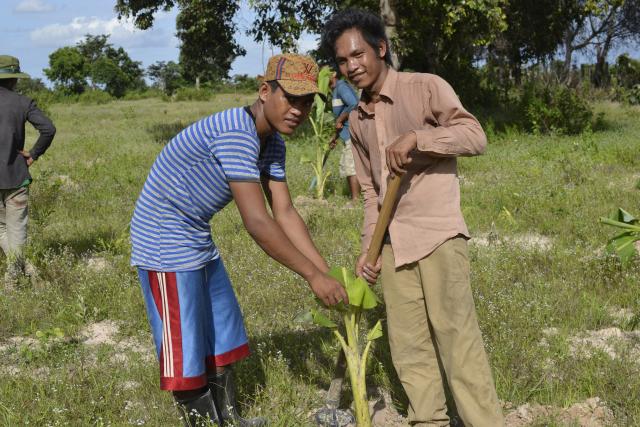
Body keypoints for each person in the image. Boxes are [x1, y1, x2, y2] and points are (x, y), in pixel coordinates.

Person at [129, 53, 348, 427]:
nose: (299, 110)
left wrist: (325, 273)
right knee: (186, 348)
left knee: (221, 331)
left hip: (196, 232)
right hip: (164, 238)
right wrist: (312, 276)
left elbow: (286, 213)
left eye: (307, 102)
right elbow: (258, 222)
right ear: (265, 91)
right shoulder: (235, 133)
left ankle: (229, 421)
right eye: (290, 98)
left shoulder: (272, 143)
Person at [321, 9, 505, 427]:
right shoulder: (357, 119)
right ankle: (429, 420)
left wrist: (419, 138)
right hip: (393, 243)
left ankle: (484, 421)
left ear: (380, 49)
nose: (351, 66)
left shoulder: (424, 89)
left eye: (358, 55)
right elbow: (370, 192)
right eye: (343, 60)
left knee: (456, 337)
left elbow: (475, 136)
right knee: (409, 345)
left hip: (437, 233)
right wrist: (371, 248)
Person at [0, 55, 55, 289]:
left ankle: (17, 271)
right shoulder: (23, 102)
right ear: (14, 79)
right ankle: (17, 272)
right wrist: (33, 154)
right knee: (17, 228)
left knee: (1, 228)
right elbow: (48, 129)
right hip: (16, 177)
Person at [328, 72, 360, 203]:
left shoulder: (341, 87)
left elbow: (354, 103)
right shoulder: (334, 91)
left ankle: (355, 200)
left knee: (350, 166)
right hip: (346, 134)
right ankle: (356, 197)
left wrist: (340, 119)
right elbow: (340, 118)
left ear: (333, 74)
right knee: (347, 166)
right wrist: (335, 136)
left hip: (353, 133)